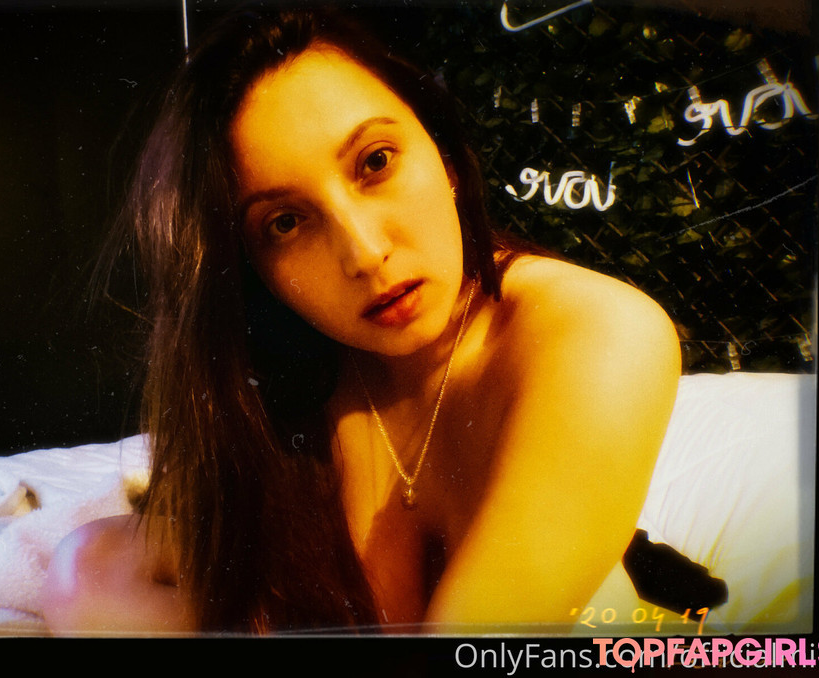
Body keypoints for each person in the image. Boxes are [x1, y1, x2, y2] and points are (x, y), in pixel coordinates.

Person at [41, 5, 680, 635]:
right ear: (253, 269)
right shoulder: (294, 377)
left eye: (375, 162)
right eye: (285, 223)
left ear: (445, 157)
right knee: (85, 571)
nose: (365, 253)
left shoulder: (598, 331)